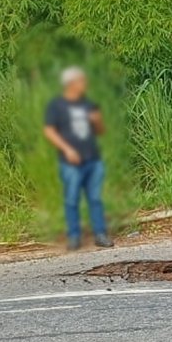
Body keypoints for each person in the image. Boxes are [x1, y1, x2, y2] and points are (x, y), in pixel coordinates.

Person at [44, 66, 112, 251]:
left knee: (95, 198)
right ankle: (74, 236)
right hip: (71, 163)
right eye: (82, 81)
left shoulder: (89, 104)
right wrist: (67, 149)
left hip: (93, 160)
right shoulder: (57, 106)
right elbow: (49, 130)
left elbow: (100, 132)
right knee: (72, 199)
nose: (85, 84)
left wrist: (97, 121)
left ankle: (100, 234)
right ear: (71, 84)